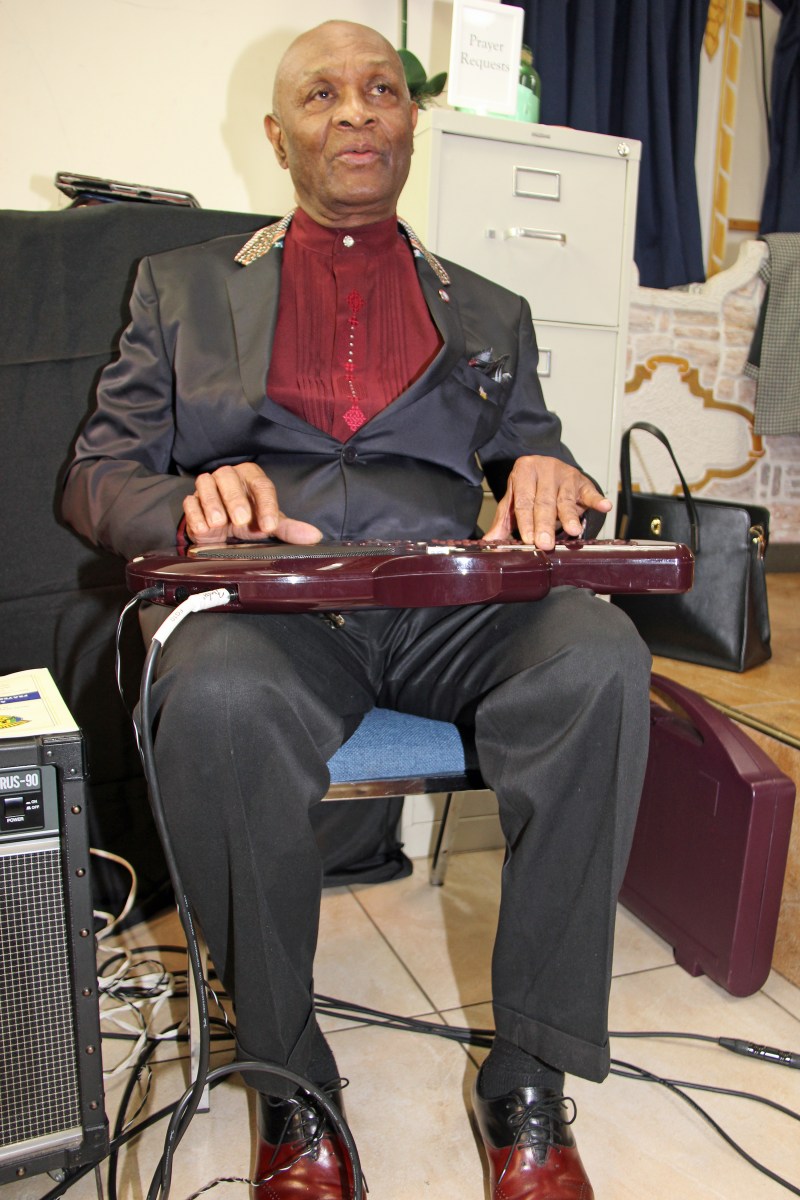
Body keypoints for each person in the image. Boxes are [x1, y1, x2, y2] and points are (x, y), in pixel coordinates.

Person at [62, 20, 652, 1199]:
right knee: (216, 697)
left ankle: (529, 1074)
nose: (355, 110)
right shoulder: (177, 288)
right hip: (266, 603)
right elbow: (96, 473)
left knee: (596, 656)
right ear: (277, 136)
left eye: (380, 88)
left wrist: (549, 482)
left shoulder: (490, 309)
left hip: (447, 601)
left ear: (410, 124)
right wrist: (185, 502)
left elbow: (542, 463)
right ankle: (289, 1078)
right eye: (320, 94)